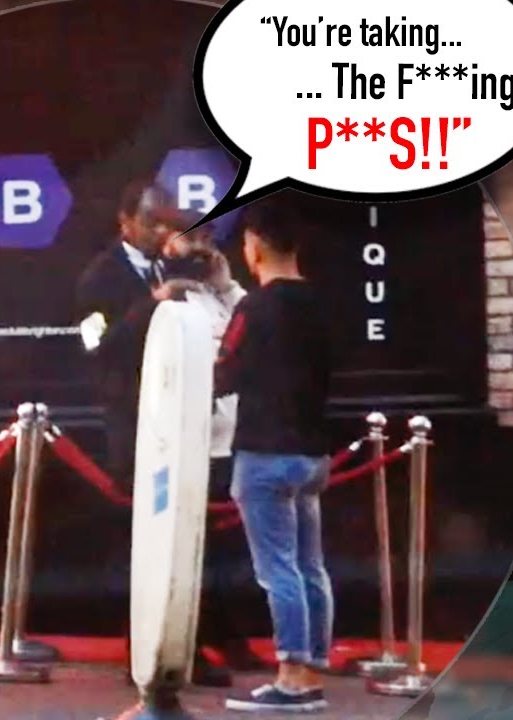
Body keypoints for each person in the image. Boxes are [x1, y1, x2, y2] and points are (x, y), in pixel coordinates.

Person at [74, 180, 230, 687]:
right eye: (150, 222)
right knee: (142, 542)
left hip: (183, 418)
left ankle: (189, 645)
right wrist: (153, 304)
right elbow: (97, 347)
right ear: (124, 222)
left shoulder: (175, 264)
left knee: (187, 535)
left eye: (167, 223)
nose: (160, 232)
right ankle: (139, 649)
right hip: (133, 424)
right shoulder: (98, 277)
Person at [214, 201, 333, 713]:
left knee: (278, 570)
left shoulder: (254, 309)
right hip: (312, 452)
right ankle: (313, 667)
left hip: (264, 451)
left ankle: (291, 676)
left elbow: (224, 371)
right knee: (310, 566)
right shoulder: (320, 303)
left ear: (255, 245)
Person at [156, 216, 270, 674]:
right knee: (192, 554)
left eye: (207, 240)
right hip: (189, 441)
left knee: (229, 554)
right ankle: (193, 641)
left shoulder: (215, 294)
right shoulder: (165, 294)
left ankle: (230, 637)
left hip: (229, 439)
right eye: (192, 241)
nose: (201, 250)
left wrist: (225, 284)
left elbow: (254, 324)